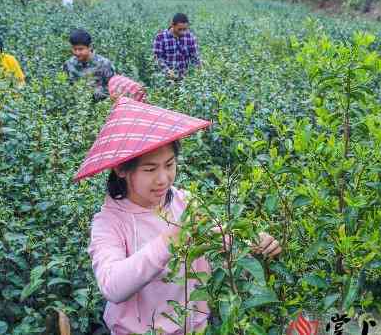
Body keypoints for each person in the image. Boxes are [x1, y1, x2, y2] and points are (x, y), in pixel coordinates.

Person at [75, 97, 283, 334]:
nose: (163, 178)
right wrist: (171, 239)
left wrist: (254, 245)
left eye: (170, 164)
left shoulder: (185, 202)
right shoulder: (109, 223)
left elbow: (222, 241)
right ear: (121, 169)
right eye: (150, 169)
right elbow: (112, 286)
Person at [63, 29, 116, 103]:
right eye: (74, 49)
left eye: (81, 49)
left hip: (101, 107)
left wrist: (94, 93)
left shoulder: (104, 64)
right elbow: (66, 86)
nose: (77, 53)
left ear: (90, 47)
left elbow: (114, 89)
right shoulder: (69, 64)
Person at [152, 13, 201, 81]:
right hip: (165, 79)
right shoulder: (160, 37)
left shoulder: (190, 37)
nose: (182, 32)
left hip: (184, 80)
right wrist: (168, 71)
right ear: (172, 25)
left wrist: (198, 72)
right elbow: (157, 58)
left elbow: (195, 58)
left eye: (185, 29)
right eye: (180, 29)